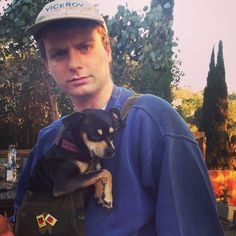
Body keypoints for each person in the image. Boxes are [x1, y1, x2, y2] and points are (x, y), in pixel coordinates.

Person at [1, 0, 224, 235]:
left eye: (85, 47)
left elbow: (191, 227)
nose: (74, 64)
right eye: (58, 54)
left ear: (107, 49)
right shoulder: (49, 139)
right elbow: (27, 215)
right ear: (47, 65)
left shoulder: (153, 121)